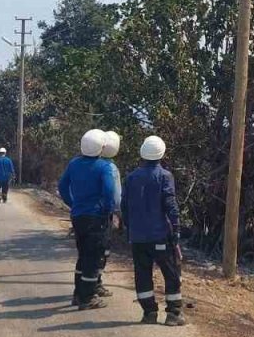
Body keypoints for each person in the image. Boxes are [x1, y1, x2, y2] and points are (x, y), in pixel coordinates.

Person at [121, 135, 187, 326]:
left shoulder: (131, 178)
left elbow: (124, 206)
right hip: (160, 236)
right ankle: (174, 314)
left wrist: (130, 228)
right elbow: (171, 206)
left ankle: (149, 313)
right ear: (162, 154)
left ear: (142, 153)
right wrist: (176, 232)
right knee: (171, 272)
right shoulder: (165, 176)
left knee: (142, 274)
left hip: (138, 237)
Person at [58, 129, 118, 310]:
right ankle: (87, 298)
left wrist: (72, 203)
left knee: (83, 255)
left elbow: (62, 186)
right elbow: (109, 193)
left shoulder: (74, 164)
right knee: (93, 257)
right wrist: (107, 211)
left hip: (78, 217)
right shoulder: (104, 167)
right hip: (96, 217)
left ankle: (78, 294)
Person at [92, 131, 124, 299]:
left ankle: (89, 284)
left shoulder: (90, 162)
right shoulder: (110, 168)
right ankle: (95, 283)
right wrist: (119, 214)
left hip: (86, 214)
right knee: (102, 249)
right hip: (104, 214)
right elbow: (116, 196)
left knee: (88, 251)